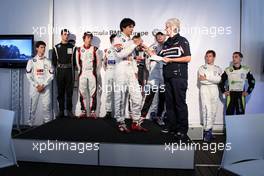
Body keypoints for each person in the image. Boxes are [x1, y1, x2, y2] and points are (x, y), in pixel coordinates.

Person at [145, 18, 191, 141]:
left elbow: (187, 58)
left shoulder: (182, 41)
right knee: (169, 104)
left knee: (179, 104)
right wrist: (146, 49)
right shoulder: (166, 43)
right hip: (167, 77)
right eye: (165, 27)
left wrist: (172, 60)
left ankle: (182, 130)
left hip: (179, 77)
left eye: (167, 27)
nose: (165, 30)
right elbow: (158, 57)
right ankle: (172, 127)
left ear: (174, 28)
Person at [113, 18, 148, 133]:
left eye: (133, 27)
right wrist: (134, 44)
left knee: (137, 97)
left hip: (131, 71)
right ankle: (120, 122)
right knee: (121, 98)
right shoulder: (117, 38)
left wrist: (134, 60)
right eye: (130, 27)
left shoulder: (130, 40)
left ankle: (135, 122)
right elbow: (120, 54)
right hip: (121, 71)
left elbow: (128, 56)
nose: (132, 29)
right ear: (124, 27)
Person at [140, 29, 166, 126]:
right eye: (158, 35)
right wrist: (151, 70)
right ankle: (142, 117)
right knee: (149, 96)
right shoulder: (151, 47)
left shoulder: (168, 47)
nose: (159, 37)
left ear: (165, 36)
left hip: (164, 75)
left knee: (163, 97)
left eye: (161, 35)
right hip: (154, 75)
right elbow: (147, 62)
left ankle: (159, 116)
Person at [26, 41, 54, 126]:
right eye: (41, 47)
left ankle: (47, 126)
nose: (43, 49)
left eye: (44, 47)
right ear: (37, 48)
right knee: (32, 108)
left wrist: (44, 85)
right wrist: (37, 85)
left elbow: (51, 75)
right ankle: (30, 126)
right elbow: (28, 75)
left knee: (47, 108)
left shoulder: (48, 61)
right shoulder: (31, 61)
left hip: (45, 87)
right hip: (35, 88)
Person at [198, 50, 222, 142]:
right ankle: (206, 132)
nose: (208, 58)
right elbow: (202, 81)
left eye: (210, 56)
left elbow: (219, 80)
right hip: (205, 89)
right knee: (206, 110)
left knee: (213, 110)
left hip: (214, 89)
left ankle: (210, 131)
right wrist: (212, 79)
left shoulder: (218, 68)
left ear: (214, 57)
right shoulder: (202, 68)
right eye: (207, 56)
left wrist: (207, 78)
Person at [52, 29, 75, 118]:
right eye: (64, 34)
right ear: (61, 35)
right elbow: (54, 61)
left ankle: (69, 111)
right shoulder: (56, 47)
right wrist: (59, 67)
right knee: (60, 92)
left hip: (69, 71)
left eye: (67, 35)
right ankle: (61, 111)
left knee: (69, 92)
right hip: (60, 72)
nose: (66, 36)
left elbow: (74, 61)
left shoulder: (72, 47)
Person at [76, 32, 100, 119]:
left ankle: (93, 111)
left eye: (90, 38)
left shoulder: (95, 49)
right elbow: (77, 62)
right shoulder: (79, 49)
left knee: (93, 92)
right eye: (87, 37)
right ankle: (83, 111)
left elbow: (98, 62)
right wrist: (81, 71)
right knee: (82, 92)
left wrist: (94, 71)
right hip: (82, 72)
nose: (89, 39)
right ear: (84, 38)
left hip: (91, 73)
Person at [104, 34, 117, 119]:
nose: (115, 41)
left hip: (118, 72)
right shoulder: (107, 50)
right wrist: (107, 69)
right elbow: (104, 63)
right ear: (111, 41)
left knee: (118, 93)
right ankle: (108, 111)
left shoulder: (121, 50)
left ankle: (118, 113)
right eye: (113, 40)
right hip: (109, 71)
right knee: (108, 92)